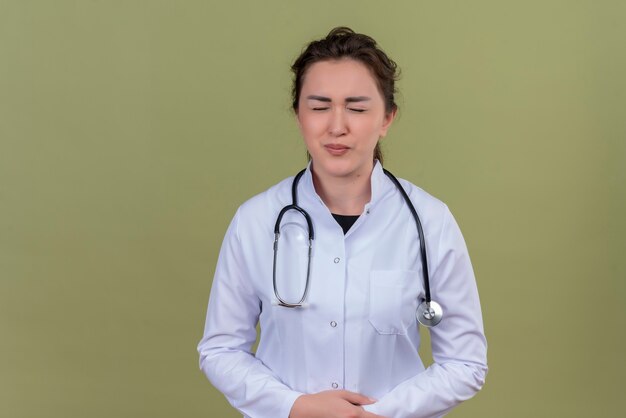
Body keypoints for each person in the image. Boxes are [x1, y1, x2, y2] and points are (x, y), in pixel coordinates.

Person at [197, 27, 487, 418]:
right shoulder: (256, 221)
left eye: (357, 107)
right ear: (298, 115)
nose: (337, 126)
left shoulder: (430, 221)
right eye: (319, 107)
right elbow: (220, 350)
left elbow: (465, 363)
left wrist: (379, 414)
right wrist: (293, 406)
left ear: (386, 118)